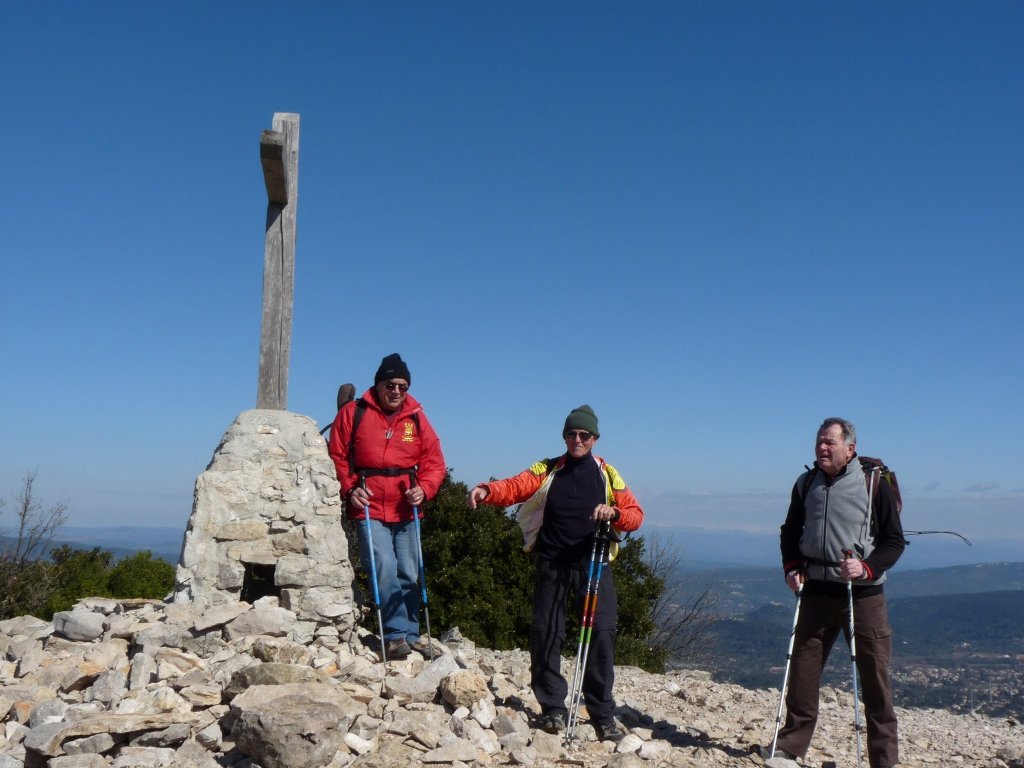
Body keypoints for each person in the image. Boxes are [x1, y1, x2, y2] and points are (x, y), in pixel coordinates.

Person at [467, 405, 643, 742]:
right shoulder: (549, 468)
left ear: (595, 439)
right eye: (572, 433)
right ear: (564, 436)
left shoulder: (607, 473)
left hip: (594, 562)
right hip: (553, 560)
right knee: (547, 632)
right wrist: (487, 491)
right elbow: (517, 486)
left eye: (584, 435)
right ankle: (552, 708)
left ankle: (602, 713)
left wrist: (615, 511)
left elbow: (635, 514)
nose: (577, 439)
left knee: (601, 637)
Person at [771, 417, 905, 768]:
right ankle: (789, 747)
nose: (822, 448)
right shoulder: (806, 483)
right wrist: (791, 567)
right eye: (819, 441)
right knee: (802, 669)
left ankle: (883, 760)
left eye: (830, 442)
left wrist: (867, 568)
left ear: (851, 448)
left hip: (862, 595)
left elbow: (893, 541)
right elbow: (790, 531)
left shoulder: (875, 484)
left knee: (874, 677)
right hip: (815, 589)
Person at [328, 353, 445, 660]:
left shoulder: (417, 416)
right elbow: (337, 455)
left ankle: (409, 632)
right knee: (384, 568)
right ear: (378, 384)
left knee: (408, 571)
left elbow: (434, 462)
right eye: (390, 384)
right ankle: (394, 635)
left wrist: (426, 489)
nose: (396, 391)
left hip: (406, 506)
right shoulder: (354, 413)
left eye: (402, 386)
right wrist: (350, 487)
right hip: (368, 503)